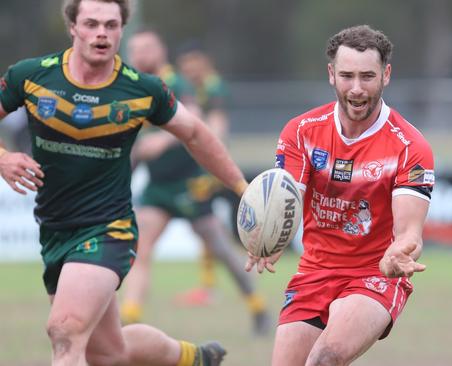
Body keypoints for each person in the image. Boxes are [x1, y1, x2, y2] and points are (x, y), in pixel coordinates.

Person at [0, 0, 249, 364]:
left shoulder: (142, 89)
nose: (101, 32)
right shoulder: (32, 76)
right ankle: (191, 358)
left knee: (65, 330)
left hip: (108, 228)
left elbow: (195, 133)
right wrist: (4, 158)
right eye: (91, 23)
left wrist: (243, 190)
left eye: (111, 25)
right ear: (73, 27)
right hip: (54, 228)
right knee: (108, 352)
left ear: (121, 30)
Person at [246, 25, 435, 365]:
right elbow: (284, 197)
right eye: (347, 76)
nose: (357, 89)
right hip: (314, 272)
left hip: (376, 273)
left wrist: (399, 253)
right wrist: (267, 236)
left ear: (386, 75)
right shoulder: (302, 132)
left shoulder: (409, 146)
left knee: (324, 359)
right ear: (331, 74)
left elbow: (410, 231)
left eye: (368, 76)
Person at [119, 30, 270, 335]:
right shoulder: (134, 87)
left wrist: (161, 142)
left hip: (189, 183)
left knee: (221, 249)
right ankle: (129, 320)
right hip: (158, 186)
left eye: (146, 47)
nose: (139, 54)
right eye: (134, 49)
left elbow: (195, 118)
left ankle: (258, 307)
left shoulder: (177, 83)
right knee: (140, 247)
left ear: (160, 51)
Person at [172, 48, 235, 307]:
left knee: (205, 224)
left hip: (211, 166)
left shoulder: (214, 88)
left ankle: (210, 286)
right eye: (184, 64)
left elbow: (218, 127)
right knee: (207, 226)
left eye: (192, 62)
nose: (188, 69)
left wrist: (210, 157)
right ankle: (209, 283)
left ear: (204, 61)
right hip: (201, 165)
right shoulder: (192, 88)